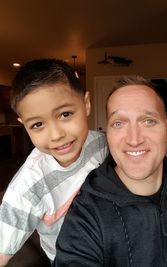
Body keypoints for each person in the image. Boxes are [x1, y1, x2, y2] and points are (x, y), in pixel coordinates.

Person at [53, 75, 167, 267]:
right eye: (119, 123)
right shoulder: (86, 216)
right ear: (108, 133)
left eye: (148, 121)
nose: (134, 139)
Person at [0, 58, 108, 266]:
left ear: (86, 104)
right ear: (24, 124)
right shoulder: (28, 187)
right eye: (38, 124)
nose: (56, 135)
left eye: (65, 114)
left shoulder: (102, 143)